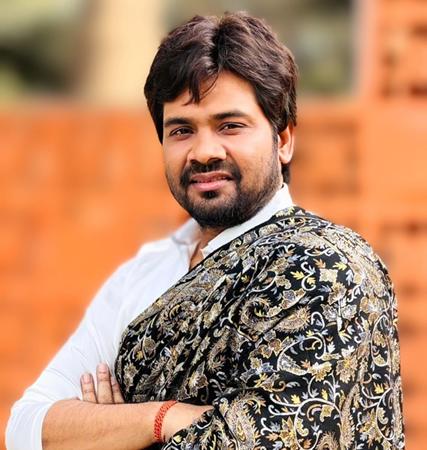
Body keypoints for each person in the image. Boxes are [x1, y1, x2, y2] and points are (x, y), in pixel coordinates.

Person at [6, 11, 404, 450]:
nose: (204, 152)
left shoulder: (327, 268)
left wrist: (105, 429)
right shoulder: (141, 274)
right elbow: (25, 429)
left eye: (229, 125)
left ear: (283, 139)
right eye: (182, 130)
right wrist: (159, 418)